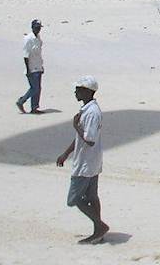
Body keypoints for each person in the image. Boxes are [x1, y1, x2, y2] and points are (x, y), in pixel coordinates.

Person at [56, 76, 108, 244]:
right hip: (91, 161)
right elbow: (82, 138)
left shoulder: (91, 113)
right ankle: (98, 232)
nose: (75, 92)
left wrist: (76, 126)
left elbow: (89, 139)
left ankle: (100, 226)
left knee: (75, 199)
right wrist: (66, 153)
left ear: (87, 91)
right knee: (92, 196)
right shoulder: (88, 110)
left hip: (86, 163)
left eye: (78, 89)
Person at [16, 19, 44, 114]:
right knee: (34, 88)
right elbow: (26, 55)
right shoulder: (28, 39)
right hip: (31, 68)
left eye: (39, 28)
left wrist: (41, 66)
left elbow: (39, 54)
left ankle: (34, 107)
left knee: (38, 88)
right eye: (36, 28)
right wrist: (28, 69)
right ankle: (21, 101)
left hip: (38, 66)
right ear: (32, 27)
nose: (38, 29)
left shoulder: (38, 38)